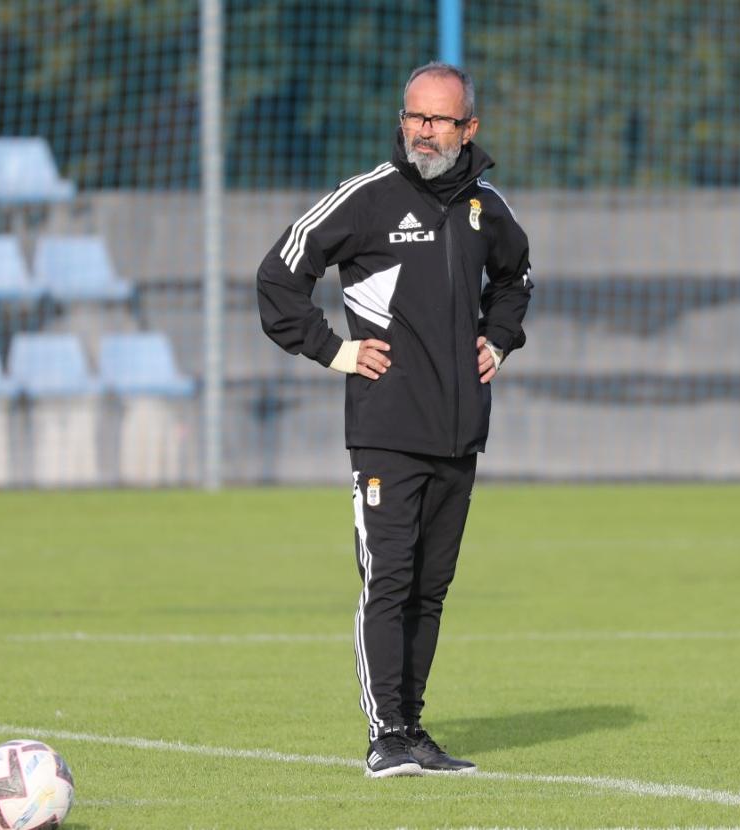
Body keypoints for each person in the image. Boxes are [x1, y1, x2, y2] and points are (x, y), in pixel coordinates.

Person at [256, 61, 533, 778]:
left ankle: (413, 728)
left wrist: (499, 340)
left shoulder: (486, 208)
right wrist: (333, 350)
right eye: (414, 116)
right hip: (385, 429)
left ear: (469, 128)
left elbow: (516, 278)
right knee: (389, 580)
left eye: (439, 119)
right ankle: (384, 736)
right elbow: (279, 274)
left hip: (460, 432)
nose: (423, 131)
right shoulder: (367, 199)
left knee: (430, 588)